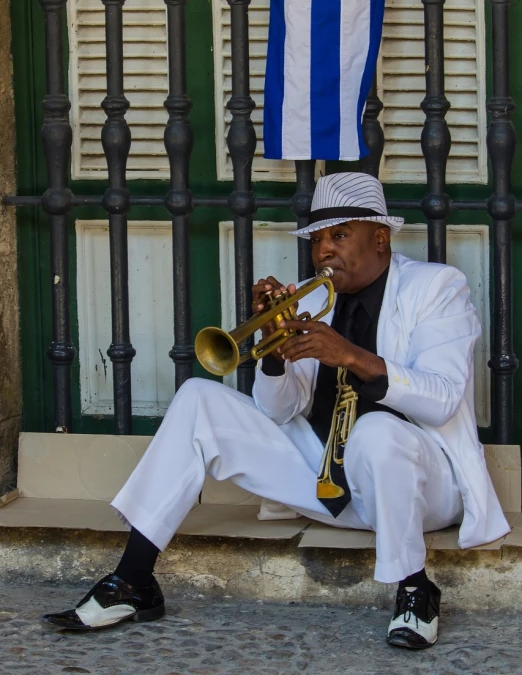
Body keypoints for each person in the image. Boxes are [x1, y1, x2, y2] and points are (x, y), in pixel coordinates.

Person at [43, 172, 509, 649]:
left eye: (340, 235)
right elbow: (279, 411)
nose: (324, 250)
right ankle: (134, 579)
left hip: (423, 488)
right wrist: (271, 349)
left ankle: (415, 588)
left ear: (381, 238)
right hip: (331, 483)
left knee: (377, 432)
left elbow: (442, 396)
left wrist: (350, 356)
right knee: (198, 399)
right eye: (318, 239)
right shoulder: (314, 297)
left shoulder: (435, 287)